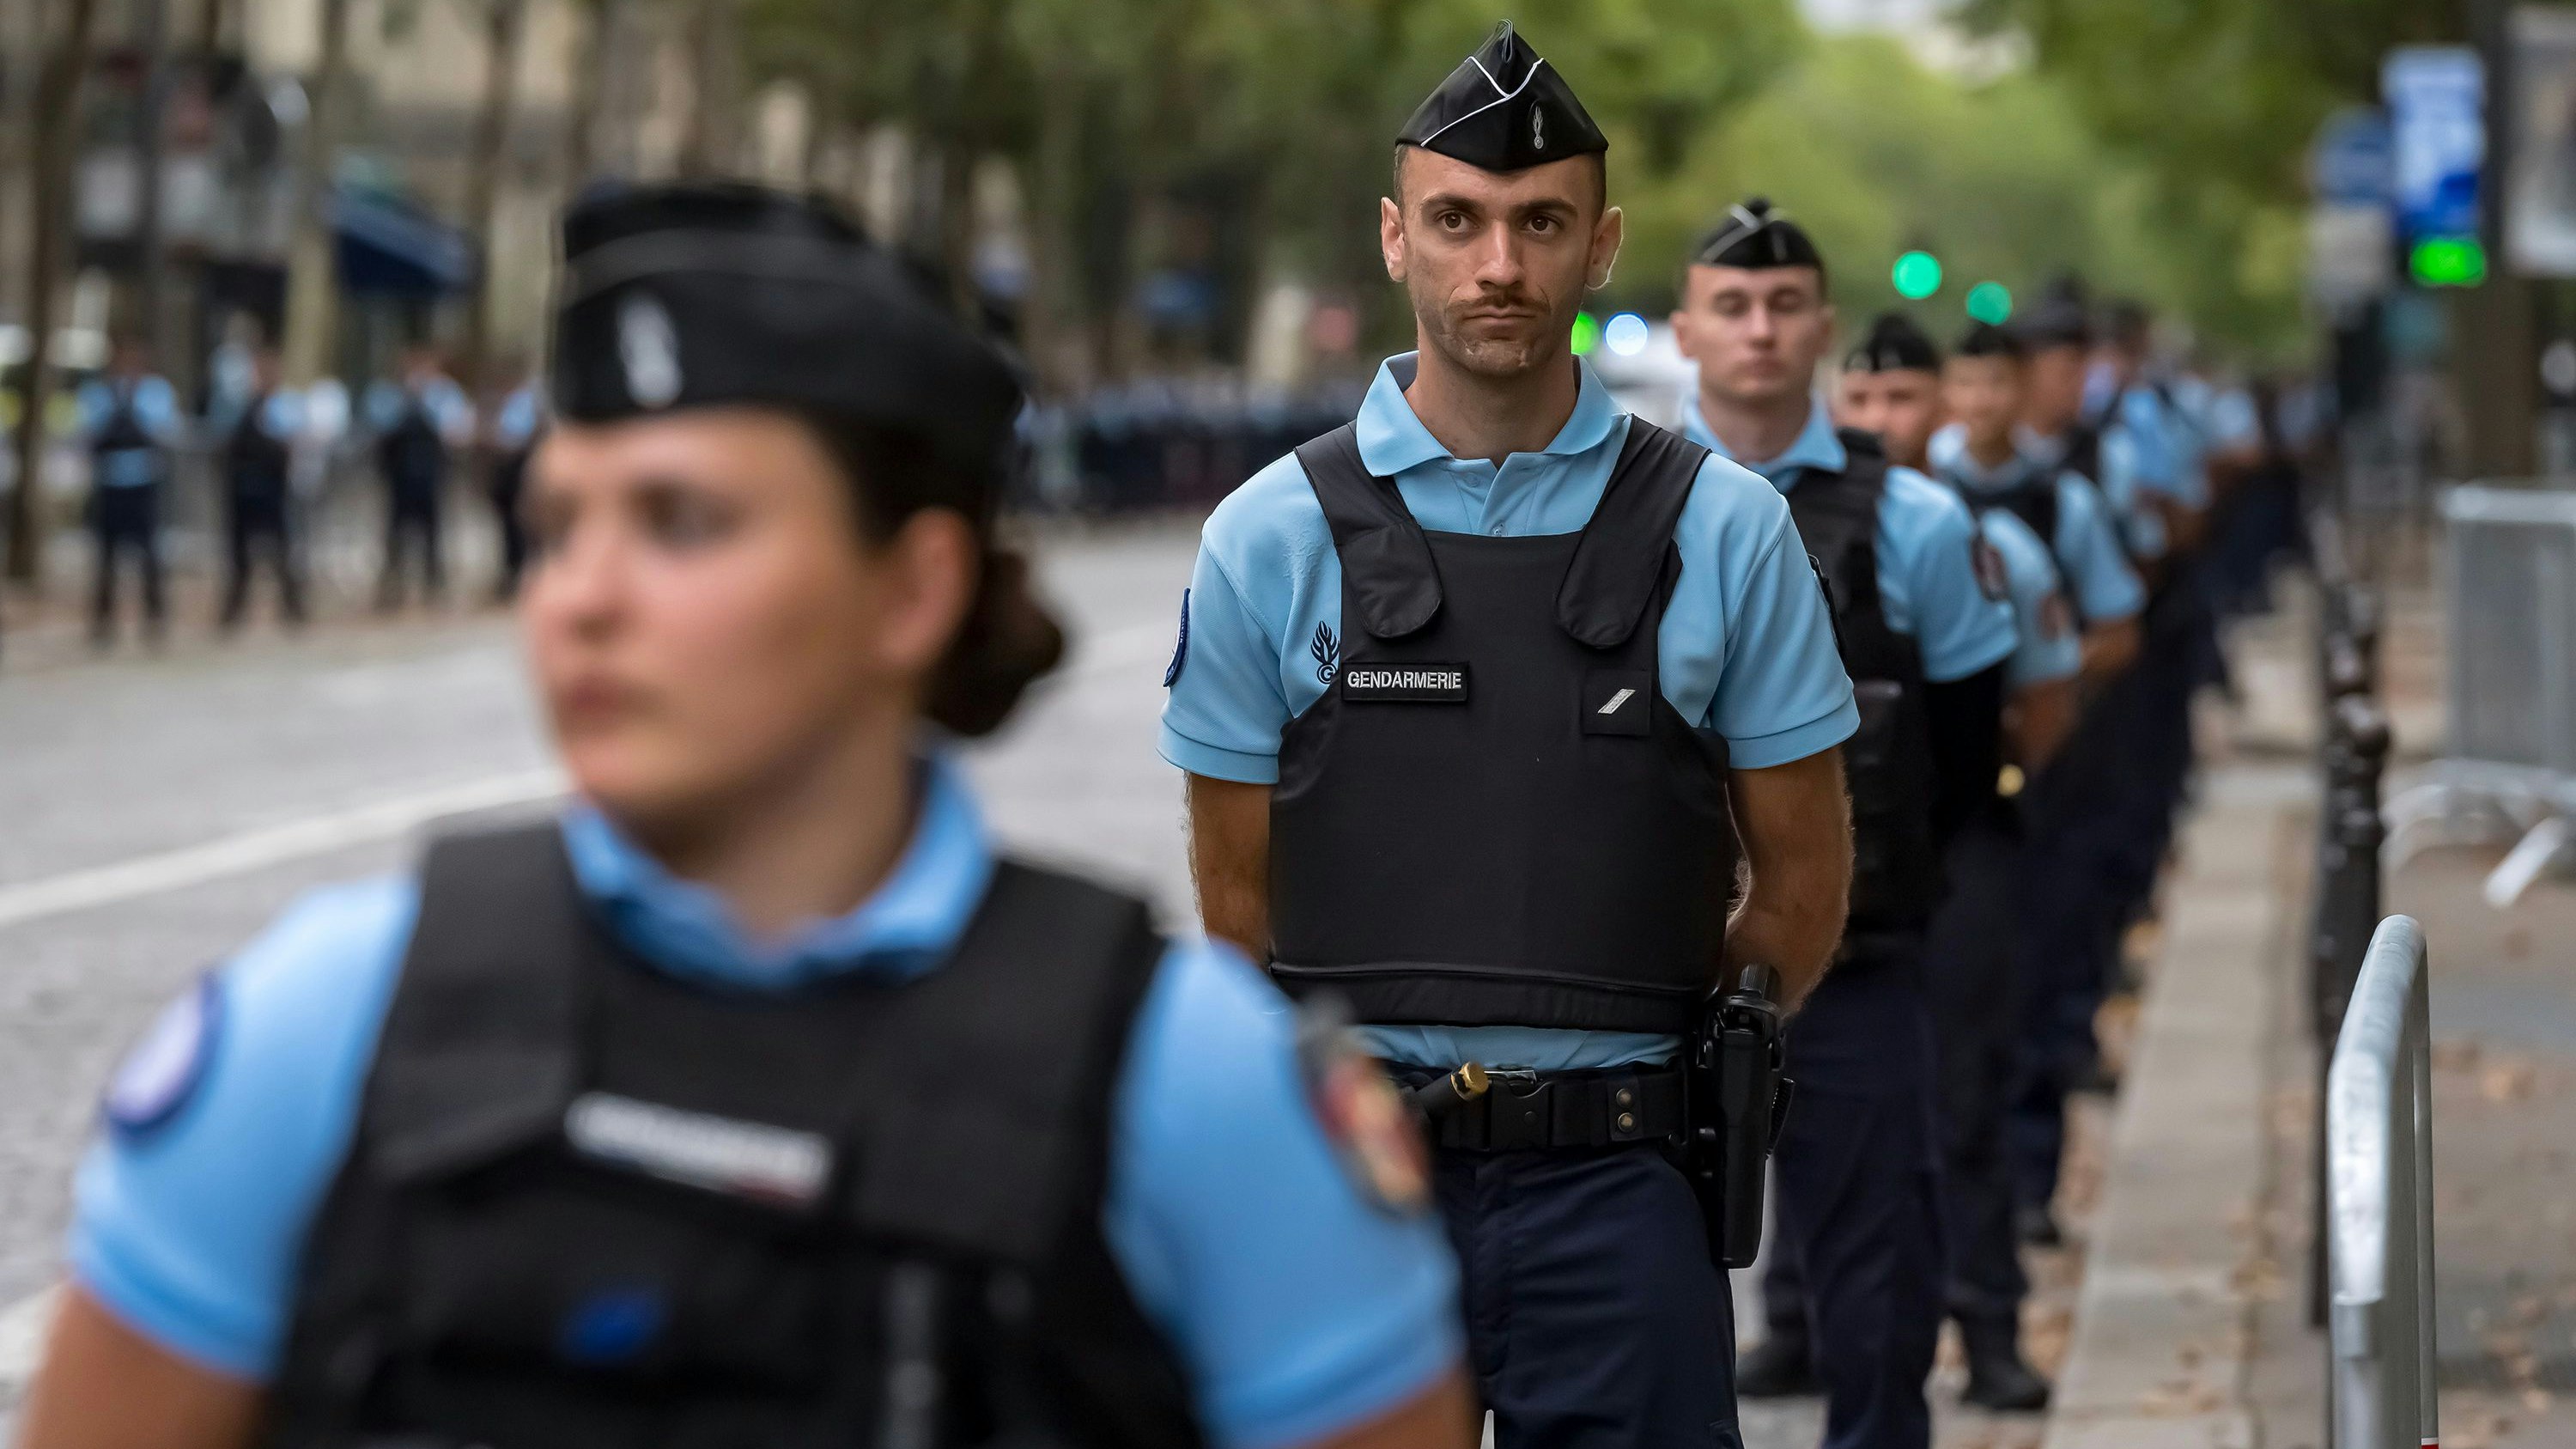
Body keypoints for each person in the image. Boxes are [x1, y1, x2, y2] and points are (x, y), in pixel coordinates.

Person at [19, 182, 1473, 1449]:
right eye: (555, 525)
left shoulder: (1197, 1100)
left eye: (682, 521)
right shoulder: (314, 1033)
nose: (580, 597)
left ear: (912, 588)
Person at [1163, 25, 1857, 1447]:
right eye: (1458, 221)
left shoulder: (1728, 532)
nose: (1499, 266)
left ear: (1600, 245)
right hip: (1355, 1191)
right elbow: (1234, 900)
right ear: (1394, 237)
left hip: (1620, 1195)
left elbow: (1800, 888)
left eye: (1541, 223)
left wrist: (1650, 1056)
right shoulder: (1269, 535)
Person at [1671, 205, 2015, 1449]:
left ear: (1822, 323)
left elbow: (1969, 750)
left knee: (1878, 1285)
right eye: (1731, 304)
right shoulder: (1618, 509)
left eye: (1783, 305)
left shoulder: (1918, 523)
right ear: (1685, 327)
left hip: (1855, 967)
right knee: (1644, 1302)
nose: (1759, 330)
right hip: (1651, 976)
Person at [1838, 311, 2076, 1409]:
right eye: (1864, 401)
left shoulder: (1983, 537)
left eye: (1903, 400)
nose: (1883, 420)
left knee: (1964, 1096)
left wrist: (2007, 781)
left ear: (1939, 408)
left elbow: (2054, 676)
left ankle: (1988, 1327)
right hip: (1836, 856)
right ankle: (1802, 1323)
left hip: (1958, 845)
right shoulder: (1787, 520)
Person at [1929, 321, 2147, 1246]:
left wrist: (2037, 690)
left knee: (2033, 977)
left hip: (2045, 778)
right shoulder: (1918, 496)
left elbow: (2118, 624)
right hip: (1939, 796)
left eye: (1995, 387)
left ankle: (2026, 1180)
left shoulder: (2060, 504)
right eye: (1963, 386)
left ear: (2019, 395)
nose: (1978, 405)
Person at [76, 338, 183, 648]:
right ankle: (103, 622)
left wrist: (133, 407)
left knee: (149, 554)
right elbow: (89, 433)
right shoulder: (98, 393)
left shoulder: (156, 392)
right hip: (109, 482)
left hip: (144, 481)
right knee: (106, 557)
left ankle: (155, 618)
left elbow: (164, 431)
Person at [365, 345, 473, 610]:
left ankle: (433, 587)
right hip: (398, 477)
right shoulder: (387, 396)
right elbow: (375, 430)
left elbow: (458, 431)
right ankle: (392, 587)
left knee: (432, 533)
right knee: (395, 533)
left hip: (432, 475)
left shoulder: (445, 396)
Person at [211, 344, 308, 630]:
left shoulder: (286, 405)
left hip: (273, 488)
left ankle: (292, 609)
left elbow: (291, 445)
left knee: (282, 551)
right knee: (238, 554)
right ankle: (234, 611)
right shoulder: (235, 404)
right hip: (242, 487)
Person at [485, 362, 545, 600]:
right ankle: (513, 571)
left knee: (524, 525)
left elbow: (520, 436)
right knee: (509, 526)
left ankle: (525, 573)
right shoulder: (507, 402)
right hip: (506, 471)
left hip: (521, 466)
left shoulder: (527, 402)